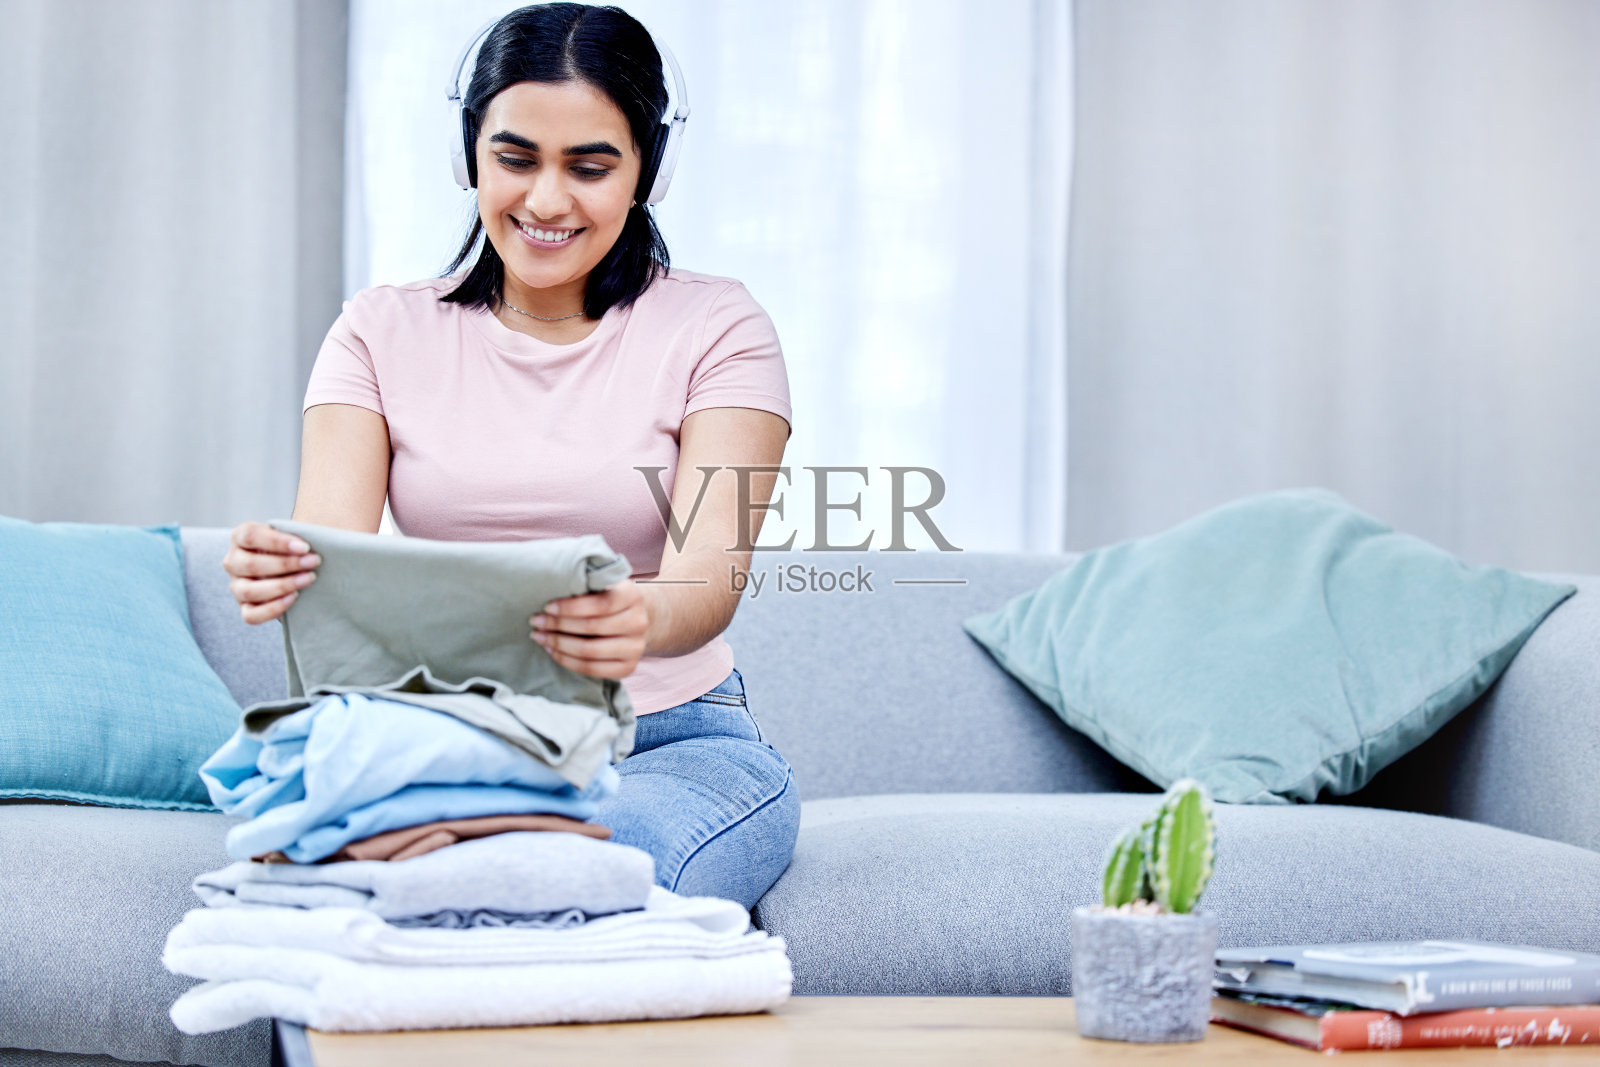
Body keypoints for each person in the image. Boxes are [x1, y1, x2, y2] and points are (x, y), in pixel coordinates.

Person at [221, 3, 798, 909]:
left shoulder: (719, 327)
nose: (546, 201)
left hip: (669, 742)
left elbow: (705, 586)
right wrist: (287, 571)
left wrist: (630, 618)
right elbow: (332, 557)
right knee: (364, 879)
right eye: (516, 158)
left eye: (591, 166)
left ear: (650, 167)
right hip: (451, 741)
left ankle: (487, 868)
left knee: (578, 882)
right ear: (470, 154)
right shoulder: (379, 331)